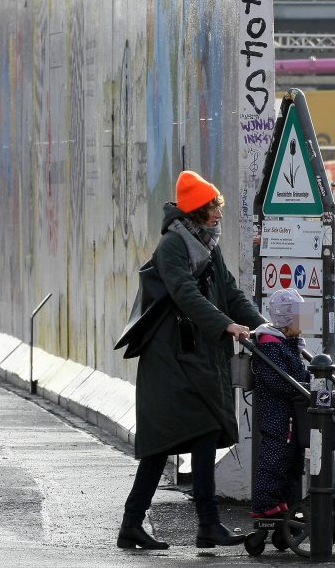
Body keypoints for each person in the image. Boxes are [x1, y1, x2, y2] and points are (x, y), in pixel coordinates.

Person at [117, 170, 265, 551]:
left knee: (200, 434)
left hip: (195, 357)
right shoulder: (173, 246)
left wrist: (263, 326)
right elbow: (184, 294)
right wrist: (226, 325)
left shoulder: (207, 246)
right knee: (163, 444)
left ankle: (200, 525)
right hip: (170, 360)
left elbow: (230, 292)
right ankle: (145, 524)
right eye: (214, 207)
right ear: (198, 211)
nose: (219, 214)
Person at [251, 288, 309, 518]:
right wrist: (302, 388)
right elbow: (278, 381)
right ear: (286, 319)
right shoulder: (272, 346)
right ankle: (264, 503)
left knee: (290, 459)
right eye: (300, 316)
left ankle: (281, 501)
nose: (304, 321)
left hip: (287, 414)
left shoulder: (288, 343)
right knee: (275, 457)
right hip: (277, 414)